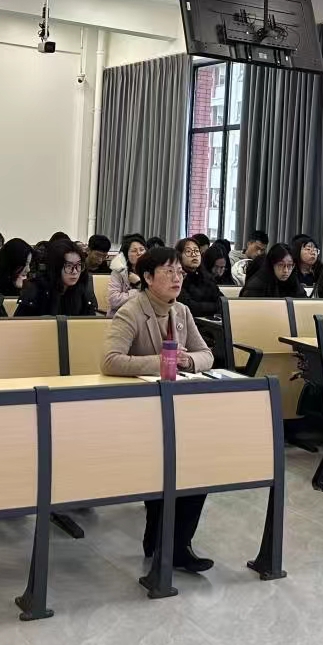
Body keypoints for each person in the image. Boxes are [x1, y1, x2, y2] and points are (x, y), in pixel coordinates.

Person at [101, 246, 215, 574]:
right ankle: (165, 543)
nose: (177, 278)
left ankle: (174, 544)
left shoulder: (182, 311)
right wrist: (162, 361)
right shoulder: (131, 311)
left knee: (198, 467)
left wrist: (188, 361)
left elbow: (207, 354)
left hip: (178, 409)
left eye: (179, 272)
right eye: (168, 271)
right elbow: (110, 361)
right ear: (148, 278)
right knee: (166, 468)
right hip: (139, 411)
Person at [16, 239, 98, 316]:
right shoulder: (36, 290)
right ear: (56, 267)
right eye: (69, 266)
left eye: (79, 265)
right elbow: (21, 323)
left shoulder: (83, 289)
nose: (75, 271)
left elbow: (90, 322)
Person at [176, 237, 222, 319]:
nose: (194, 255)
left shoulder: (206, 276)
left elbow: (222, 302)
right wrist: (214, 306)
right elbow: (190, 307)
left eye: (197, 251)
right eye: (188, 251)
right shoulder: (177, 278)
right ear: (179, 255)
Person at [239, 243, 305, 298]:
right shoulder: (256, 286)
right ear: (272, 264)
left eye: (290, 265)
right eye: (281, 265)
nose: (286, 270)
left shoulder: (293, 281)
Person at [107, 235, 148, 315]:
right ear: (126, 255)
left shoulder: (152, 271)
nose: (139, 253)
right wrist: (140, 292)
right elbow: (114, 300)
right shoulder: (118, 271)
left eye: (142, 250)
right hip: (121, 315)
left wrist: (139, 283)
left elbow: (156, 296)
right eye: (134, 251)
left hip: (145, 315)